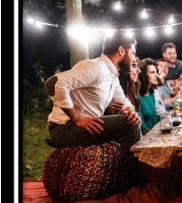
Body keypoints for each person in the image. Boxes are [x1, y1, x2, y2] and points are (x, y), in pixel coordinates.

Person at [44, 32, 142, 184]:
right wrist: (77, 117)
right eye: (133, 53)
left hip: (85, 127)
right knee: (128, 124)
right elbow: (54, 83)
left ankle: (127, 174)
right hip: (64, 129)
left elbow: (123, 101)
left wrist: (131, 111)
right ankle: (138, 179)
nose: (134, 59)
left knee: (131, 119)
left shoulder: (112, 75)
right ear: (122, 51)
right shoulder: (95, 68)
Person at [138, 58, 166, 135]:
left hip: (156, 132)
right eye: (152, 72)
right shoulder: (137, 95)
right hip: (145, 138)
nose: (157, 75)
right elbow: (142, 127)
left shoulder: (152, 93)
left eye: (157, 72)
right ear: (143, 75)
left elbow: (159, 117)